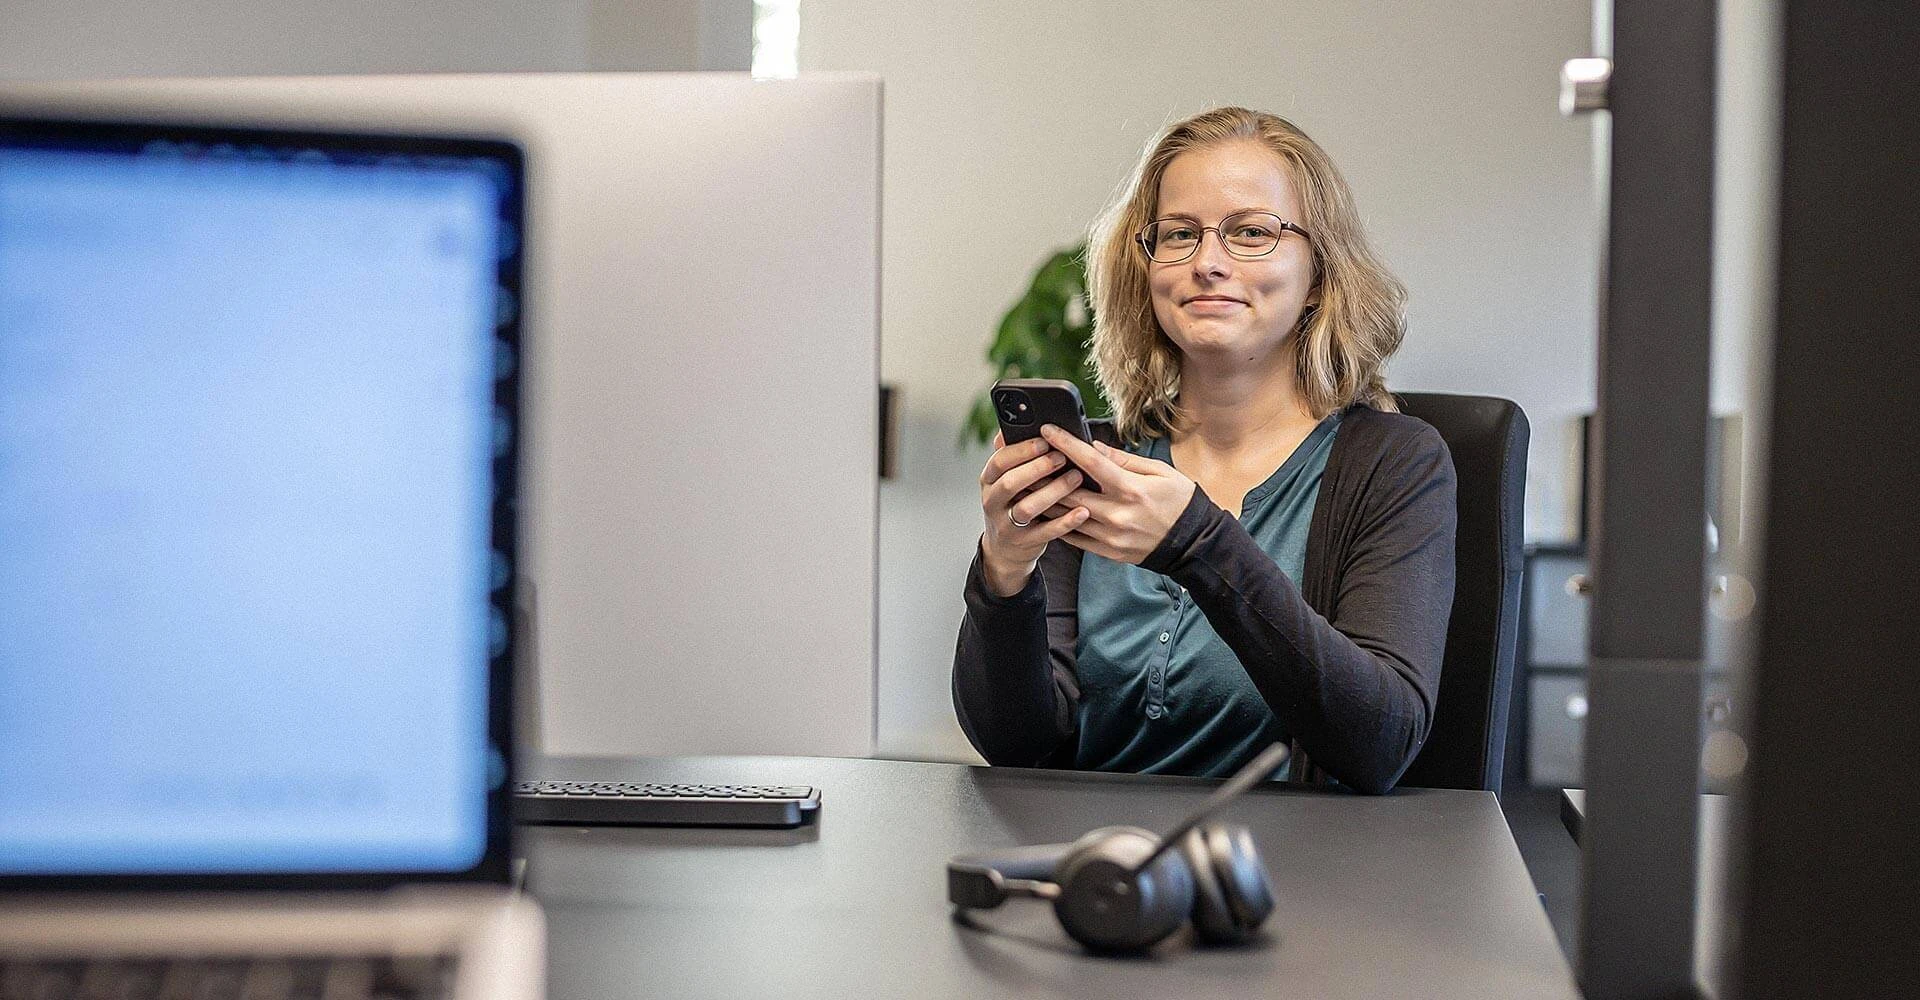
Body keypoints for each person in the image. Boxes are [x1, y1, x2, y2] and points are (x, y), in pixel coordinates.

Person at [952, 106, 1457, 794]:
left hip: (1292, 855)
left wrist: (1195, 541)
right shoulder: (1095, 460)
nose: (1208, 263)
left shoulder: (1394, 463)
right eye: (1179, 234)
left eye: (1251, 232)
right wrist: (1004, 572)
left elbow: (1379, 743)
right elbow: (1017, 746)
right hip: (1093, 848)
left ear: (1319, 272)